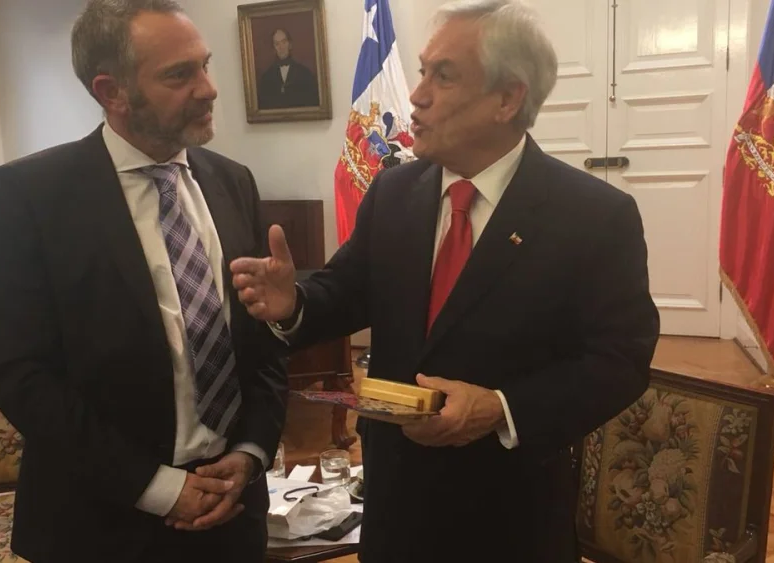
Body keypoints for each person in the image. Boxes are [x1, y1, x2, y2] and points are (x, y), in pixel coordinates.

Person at [230, 0, 660, 561]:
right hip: (396, 507)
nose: (417, 94)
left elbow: (620, 361)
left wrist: (501, 407)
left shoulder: (595, 216)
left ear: (508, 99)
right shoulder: (394, 193)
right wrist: (294, 303)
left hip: (510, 511)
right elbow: (347, 292)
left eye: (444, 75)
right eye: (423, 70)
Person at [0, 1, 287, 561]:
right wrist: (161, 490)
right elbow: (23, 376)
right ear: (111, 91)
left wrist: (251, 451)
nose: (209, 88)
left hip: (233, 508)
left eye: (206, 65)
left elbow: (260, 347)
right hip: (101, 523)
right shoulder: (30, 196)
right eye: (179, 74)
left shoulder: (231, 181)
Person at [257, 28, 320, 109]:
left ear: (290, 44)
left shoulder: (305, 74)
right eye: (277, 44)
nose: (281, 47)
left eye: (284, 42)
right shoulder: (266, 77)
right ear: (273, 48)